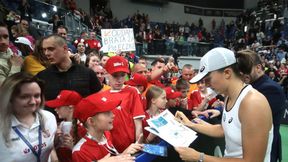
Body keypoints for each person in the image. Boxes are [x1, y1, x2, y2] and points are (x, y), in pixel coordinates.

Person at [175, 47, 273, 162]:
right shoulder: (229, 96)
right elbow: (225, 130)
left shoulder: (253, 103)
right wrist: (190, 124)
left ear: (227, 73)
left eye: (208, 79)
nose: (206, 85)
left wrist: (199, 157)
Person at [237, 49, 286, 162]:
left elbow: (253, 119)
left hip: (265, 147)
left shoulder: (270, 89)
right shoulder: (255, 86)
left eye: (245, 70)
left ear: (258, 68)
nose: (243, 76)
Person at [36, 34, 102, 117]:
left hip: (82, 126)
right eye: (44, 50)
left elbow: (99, 102)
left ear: (65, 48)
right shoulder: (41, 77)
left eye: (51, 49)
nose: (46, 53)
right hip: (52, 128)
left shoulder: (87, 73)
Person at [0, 72, 57, 161]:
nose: (33, 102)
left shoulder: (49, 118)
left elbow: (50, 147)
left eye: (37, 96)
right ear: (9, 98)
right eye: (25, 97)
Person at [72, 92, 143, 162]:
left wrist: (124, 153)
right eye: (106, 112)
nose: (113, 115)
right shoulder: (80, 152)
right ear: (91, 121)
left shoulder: (106, 134)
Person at [102, 56, 145, 152]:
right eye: (115, 75)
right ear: (106, 74)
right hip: (111, 149)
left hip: (131, 147)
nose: (119, 79)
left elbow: (138, 123)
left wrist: (137, 145)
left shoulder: (132, 92)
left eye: (122, 75)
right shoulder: (102, 96)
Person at [45, 90, 83, 162]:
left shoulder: (82, 127)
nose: (55, 109)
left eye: (58, 107)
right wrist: (55, 139)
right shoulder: (60, 124)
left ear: (71, 108)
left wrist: (73, 148)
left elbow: (88, 155)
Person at [0, 22, 23, 86]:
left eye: (6, 37)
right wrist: (16, 66)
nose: (3, 42)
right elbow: (5, 89)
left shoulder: (9, 51)